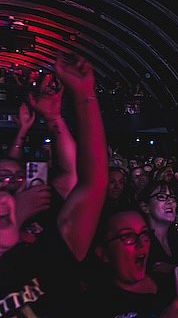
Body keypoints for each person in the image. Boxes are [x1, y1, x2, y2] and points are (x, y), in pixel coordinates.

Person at [0, 54, 108, 316]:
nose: (6, 194)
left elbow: (91, 180)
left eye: (15, 180)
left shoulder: (45, 252)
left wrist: (81, 97)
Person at [85, 209, 178, 318]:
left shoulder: (169, 281)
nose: (141, 243)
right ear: (103, 253)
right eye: (127, 236)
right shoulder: (96, 304)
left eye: (144, 234)